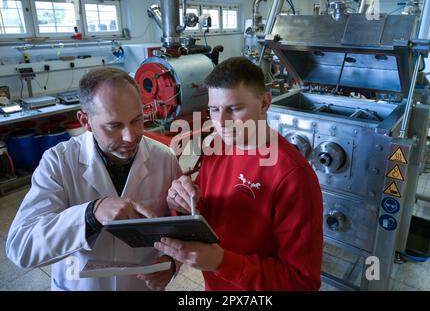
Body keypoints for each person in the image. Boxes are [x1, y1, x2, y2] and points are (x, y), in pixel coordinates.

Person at [142, 57, 324, 290]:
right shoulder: (217, 148)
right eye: (214, 109)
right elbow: (210, 212)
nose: (221, 121)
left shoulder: (293, 176)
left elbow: (302, 282)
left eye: (234, 109)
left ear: (265, 103)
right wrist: (184, 203)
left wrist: (221, 262)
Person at [6, 67, 182, 291]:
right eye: (114, 126)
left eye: (137, 120)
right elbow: (21, 247)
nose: (131, 136)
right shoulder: (59, 162)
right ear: (85, 120)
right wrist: (90, 214)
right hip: (81, 285)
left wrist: (172, 264)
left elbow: (180, 227)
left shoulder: (163, 158)